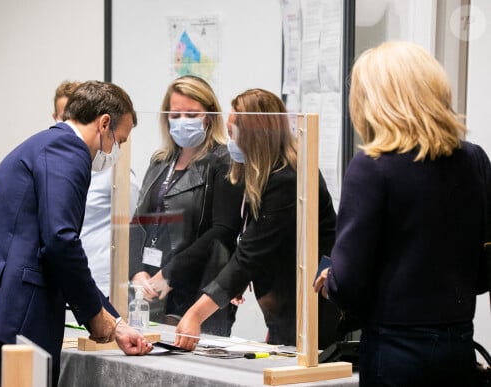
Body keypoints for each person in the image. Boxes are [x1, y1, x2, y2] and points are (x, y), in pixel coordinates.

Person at [0, 81, 153, 387]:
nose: (113, 152)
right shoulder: (69, 150)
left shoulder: (40, 144)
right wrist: (95, 314)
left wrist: (116, 323)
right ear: (103, 122)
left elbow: (50, 244)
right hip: (14, 317)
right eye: (118, 141)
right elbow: (60, 241)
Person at [313, 41, 491, 386]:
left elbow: (347, 285)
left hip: (396, 351)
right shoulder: (475, 160)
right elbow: (484, 273)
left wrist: (328, 279)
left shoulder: (372, 166)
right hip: (459, 346)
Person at [174, 88, 339, 349]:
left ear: (256, 135)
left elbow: (250, 254)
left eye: (233, 133)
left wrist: (195, 315)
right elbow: (252, 242)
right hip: (286, 303)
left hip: (311, 308)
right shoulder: (265, 173)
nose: (229, 142)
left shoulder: (288, 178)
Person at [129, 75, 244, 336]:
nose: (182, 121)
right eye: (175, 114)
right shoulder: (160, 160)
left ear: (208, 117)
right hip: (149, 290)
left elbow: (222, 232)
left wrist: (170, 274)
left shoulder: (223, 160)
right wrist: (137, 272)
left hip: (198, 289)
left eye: (191, 114)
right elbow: (138, 221)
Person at [52, 80, 141, 298]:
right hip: (67, 278)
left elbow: (132, 228)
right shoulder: (54, 164)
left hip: (100, 281)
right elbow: (59, 236)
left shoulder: (117, 176)